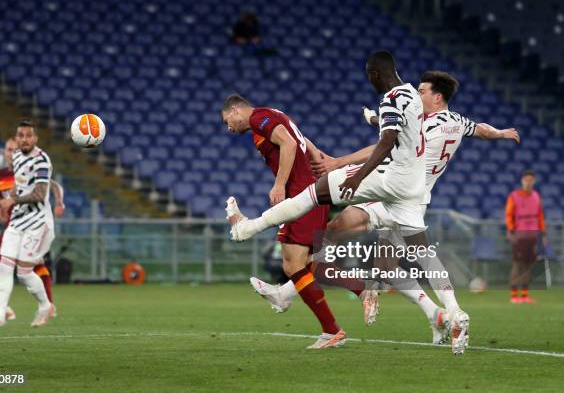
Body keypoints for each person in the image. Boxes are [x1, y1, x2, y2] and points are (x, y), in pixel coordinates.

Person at [249, 71, 521, 352]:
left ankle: (287, 290)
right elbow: (482, 129)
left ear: (437, 97)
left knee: (332, 235)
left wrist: (338, 162)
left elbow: (386, 144)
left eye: (423, 91)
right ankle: (440, 314)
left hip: (392, 194)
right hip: (414, 200)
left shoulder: (424, 125)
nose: (418, 94)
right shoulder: (457, 122)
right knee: (387, 267)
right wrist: (502, 133)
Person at [222, 94, 365, 349]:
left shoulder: (258, 117)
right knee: (306, 264)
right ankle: (358, 293)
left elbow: (288, 143)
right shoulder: (271, 116)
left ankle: (332, 327)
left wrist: (279, 184)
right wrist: (315, 153)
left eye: (227, 121)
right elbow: (298, 136)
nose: (228, 128)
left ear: (235, 110)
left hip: (302, 198)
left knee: (293, 265)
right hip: (306, 194)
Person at [0, 121, 57, 327]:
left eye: (28, 135)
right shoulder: (19, 157)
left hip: (38, 222)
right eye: (20, 135)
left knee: (24, 271)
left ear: (35, 138)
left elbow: (40, 194)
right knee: (3, 266)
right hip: (17, 221)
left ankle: (45, 306)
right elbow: (18, 187)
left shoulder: (42, 160)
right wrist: (7, 200)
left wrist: (11, 200)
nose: (24, 139)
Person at [505, 170, 546, 304]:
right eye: (526, 180)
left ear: (533, 181)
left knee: (529, 265)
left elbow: (540, 216)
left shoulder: (536, 196)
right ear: (522, 181)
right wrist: (511, 231)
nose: (528, 182)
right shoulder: (514, 196)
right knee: (518, 264)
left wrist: (543, 233)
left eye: (531, 180)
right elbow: (509, 214)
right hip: (519, 234)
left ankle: (524, 294)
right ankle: (514, 294)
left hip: (533, 235)